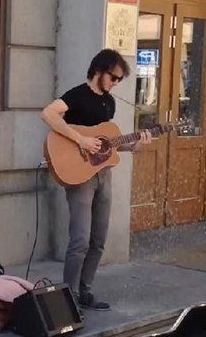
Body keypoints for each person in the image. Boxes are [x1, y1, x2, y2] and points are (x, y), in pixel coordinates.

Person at [41, 49, 151, 311]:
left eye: (119, 80)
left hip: (103, 174)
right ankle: (68, 298)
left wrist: (135, 144)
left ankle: (85, 292)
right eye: (113, 78)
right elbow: (48, 113)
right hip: (79, 175)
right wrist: (81, 140)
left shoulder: (109, 103)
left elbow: (107, 145)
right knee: (79, 240)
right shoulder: (77, 95)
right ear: (99, 71)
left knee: (98, 239)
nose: (115, 84)